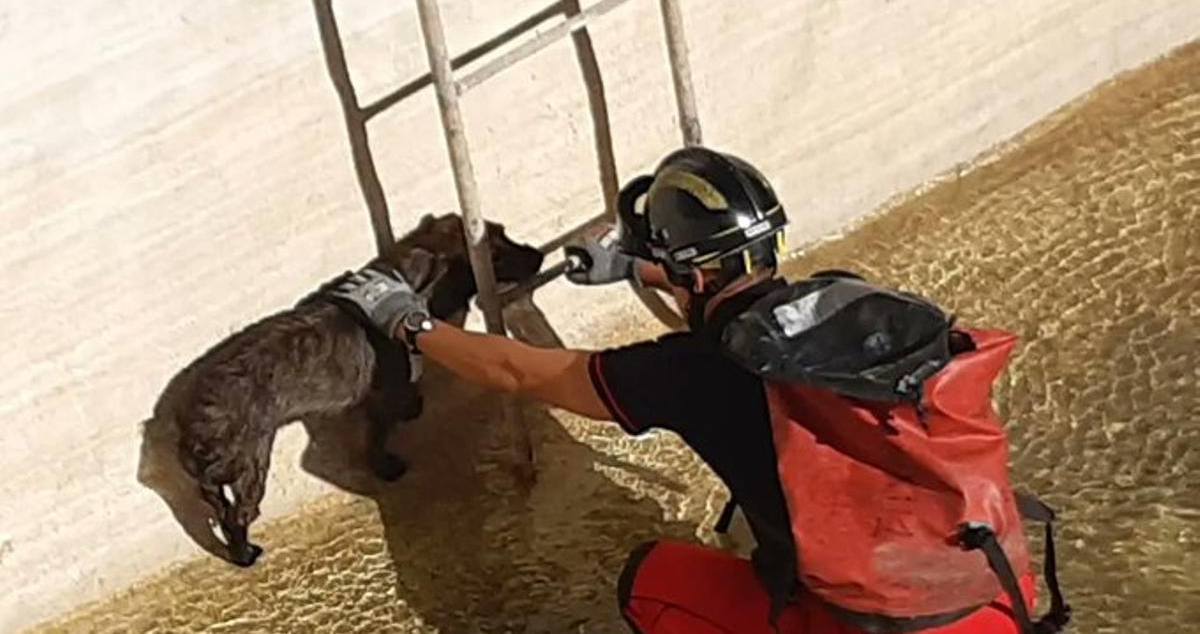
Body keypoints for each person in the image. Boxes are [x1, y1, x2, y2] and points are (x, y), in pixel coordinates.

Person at [322, 147, 1069, 633]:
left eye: (657, 260)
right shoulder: (847, 309)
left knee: (649, 579)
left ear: (693, 276)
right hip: (993, 592)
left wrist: (406, 321)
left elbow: (519, 370)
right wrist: (636, 268)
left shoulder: (688, 372)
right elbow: (721, 282)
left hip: (873, 627)